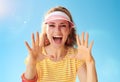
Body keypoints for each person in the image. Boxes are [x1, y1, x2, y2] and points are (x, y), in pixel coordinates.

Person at [21, 6, 98, 82]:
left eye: (63, 25)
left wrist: (90, 62)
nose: (57, 30)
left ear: (69, 30)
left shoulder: (75, 56)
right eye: (51, 25)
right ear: (45, 29)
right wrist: (32, 63)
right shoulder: (37, 54)